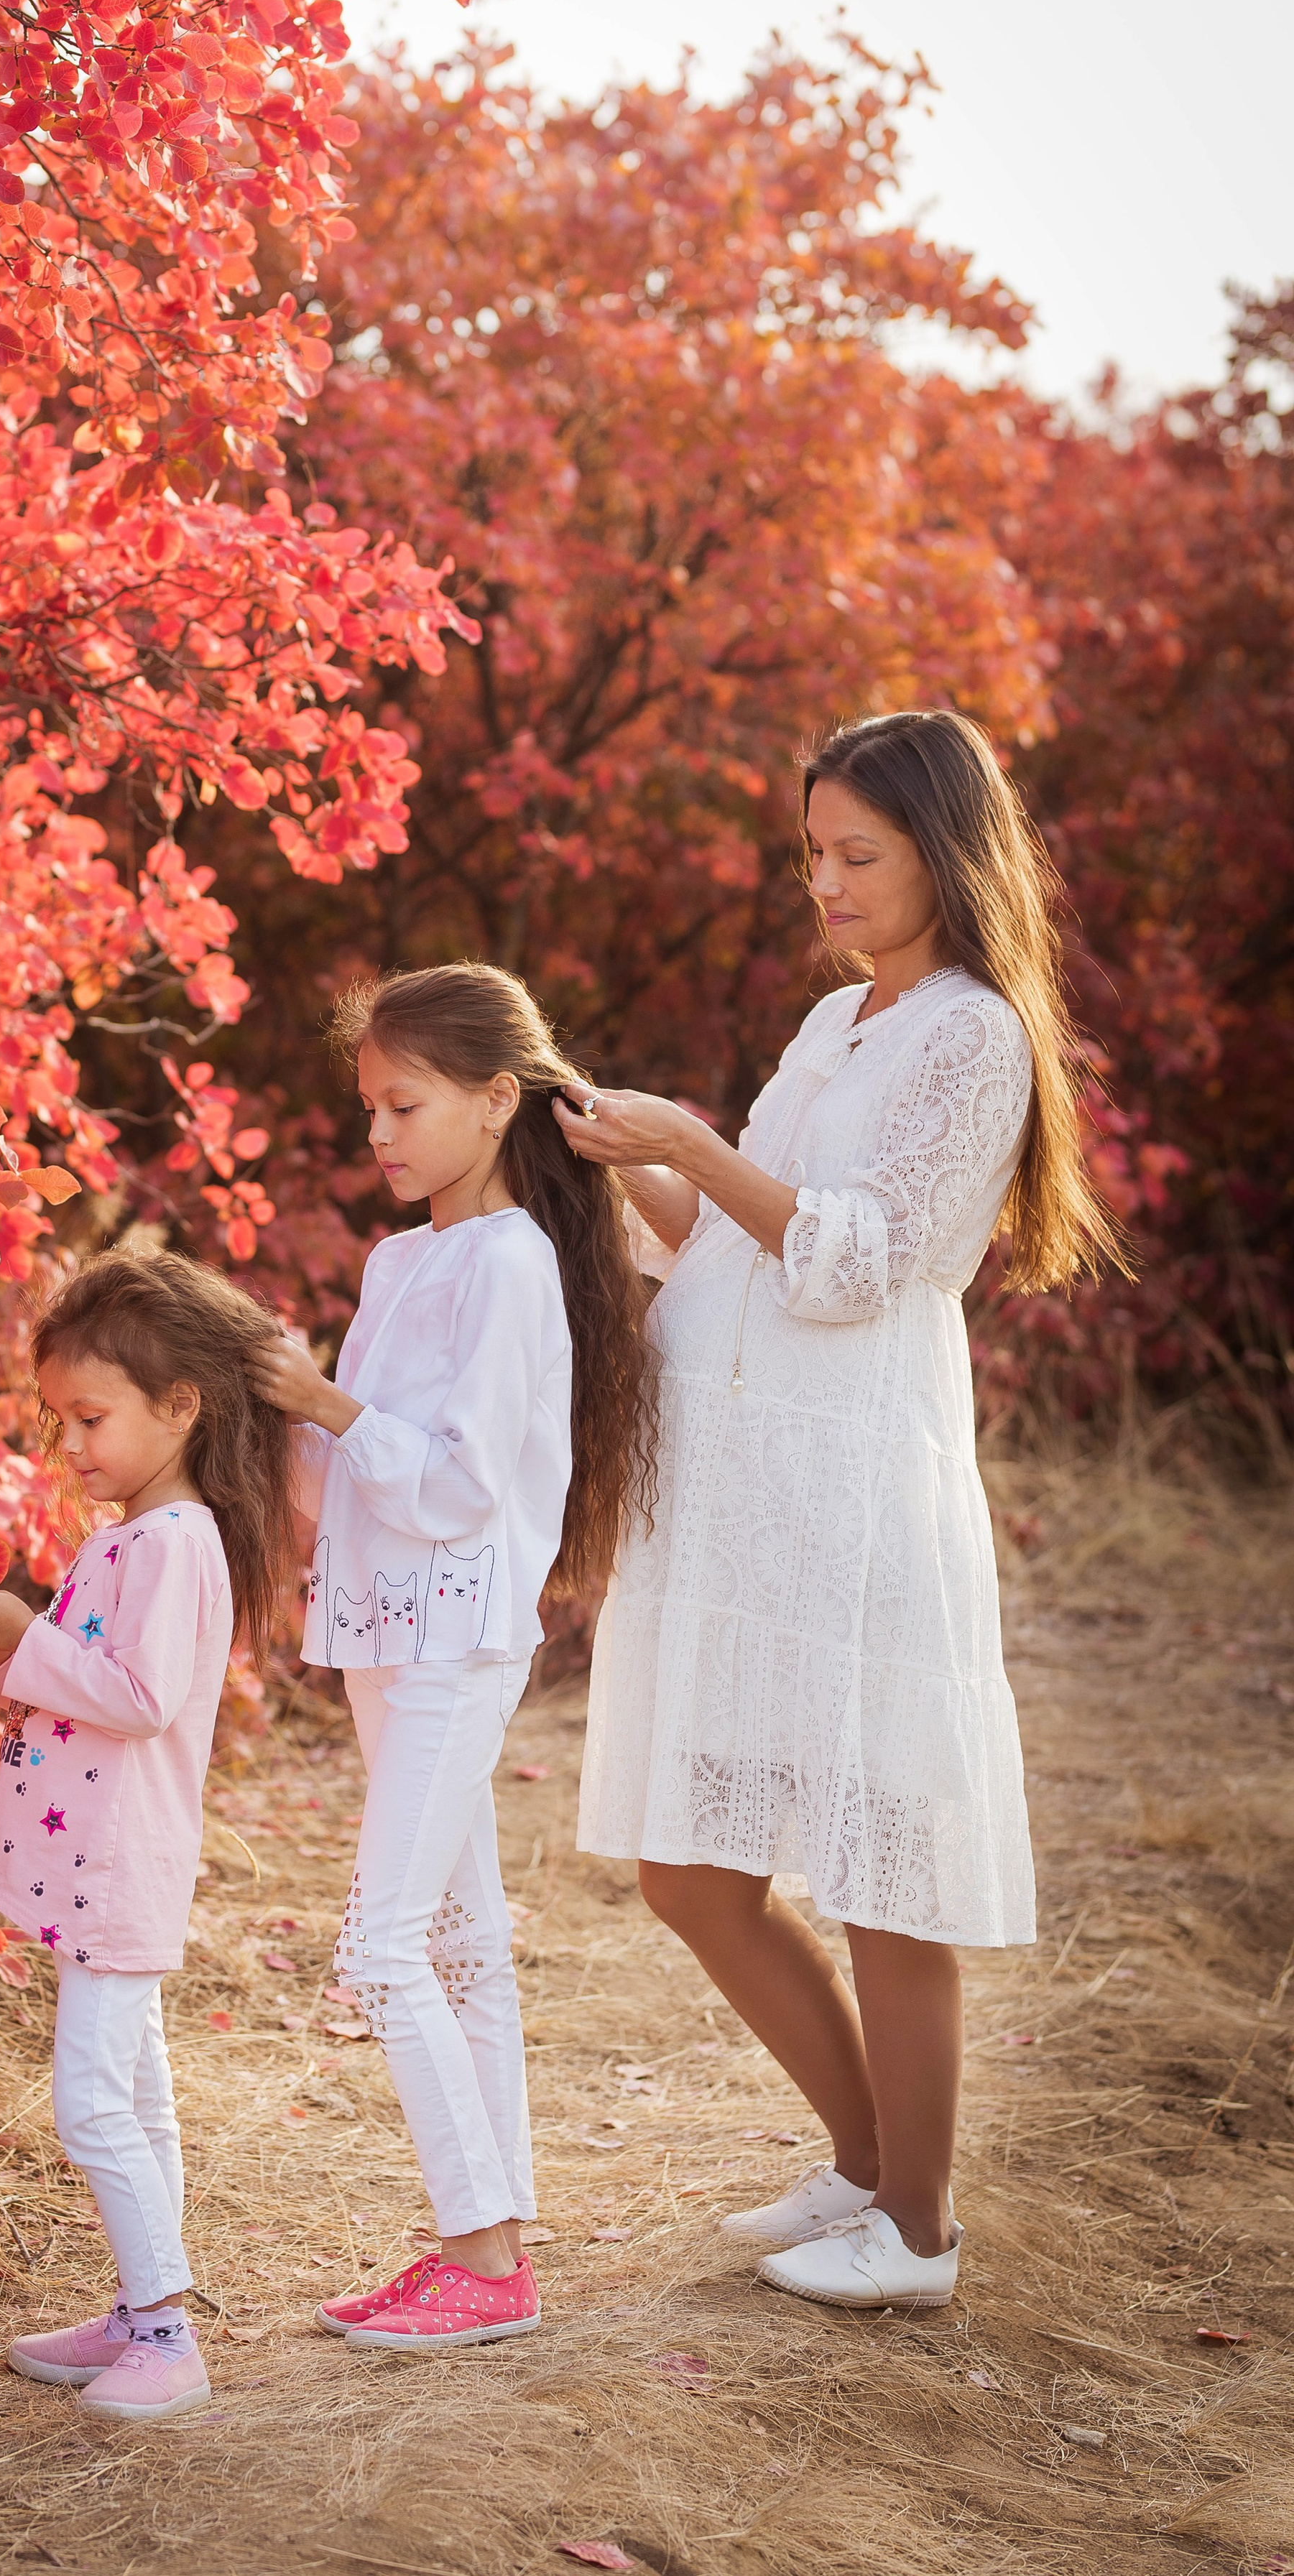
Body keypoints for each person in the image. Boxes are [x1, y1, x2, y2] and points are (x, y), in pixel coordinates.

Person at [557, 710, 1127, 2311]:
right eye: (811, 853)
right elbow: (730, 1231)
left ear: (943, 854)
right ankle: (867, 2166)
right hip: (735, 1492)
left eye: (856, 854)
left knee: (879, 1863)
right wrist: (619, 1153)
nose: (824, 883)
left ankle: (918, 2234)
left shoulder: (974, 1037)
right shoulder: (833, 1019)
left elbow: (855, 1258)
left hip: (855, 1486)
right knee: (691, 1868)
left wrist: (693, 1142)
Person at [251, 963, 655, 2350]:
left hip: (457, 1638)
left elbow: (461, 1487)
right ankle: (496, 2252)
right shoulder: (398, 1261)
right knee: (462, 1943)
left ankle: (480, 2254)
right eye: (368, 1106)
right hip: (379, 1632)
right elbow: (346, 1488)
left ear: (495, 1102)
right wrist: (274, 1409)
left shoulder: (513, 1263)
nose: (378, 1133)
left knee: (382, 1947)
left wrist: (328, 1404)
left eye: (404, 1104)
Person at [0, 1250, 293, 2422]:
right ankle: (143, 2314)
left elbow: (139, 1697)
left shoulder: (178, 1540)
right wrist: (6, 1645)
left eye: (92, 1418)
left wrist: (28, 1633)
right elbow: (81, 1680)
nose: (73, 1444)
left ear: (181, 1406)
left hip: (120, 1865)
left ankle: (169, 2335)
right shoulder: (132, 1534)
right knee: (135, 2095)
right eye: (61, 1421)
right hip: (94, 1856)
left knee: (93, 2103)